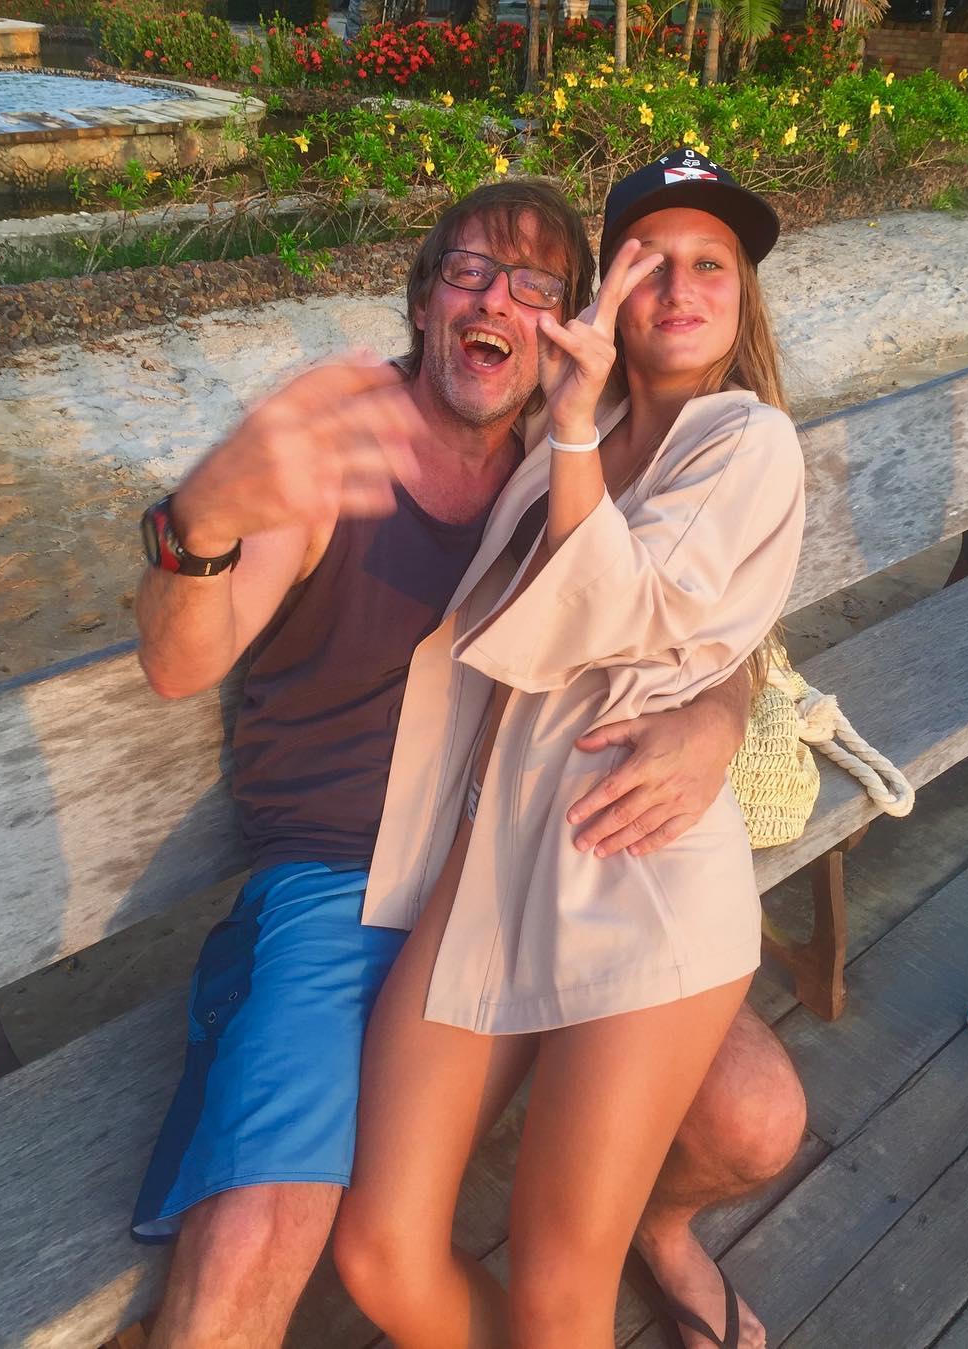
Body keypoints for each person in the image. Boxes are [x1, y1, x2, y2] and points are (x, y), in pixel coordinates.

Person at [131, 176, 805, 1349]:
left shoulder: (573, 445)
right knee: (311, 1244)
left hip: (571, 850)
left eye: (535, 283)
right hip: (371, 878)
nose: (497, 299)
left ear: (564, 324)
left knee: (751, 1119)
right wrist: (197, 526)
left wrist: (720, 714)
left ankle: (658, 1233)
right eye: (469, 271)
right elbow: (180, 663)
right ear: (423, 298)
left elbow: (684, 618)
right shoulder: (363, 445)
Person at [332, 152, 805, 1349]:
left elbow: (625, 610)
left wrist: (720, 708)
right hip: (493, 853)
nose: (682, 288)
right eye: (651, 262)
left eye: (713, 265)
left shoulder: (747, 439)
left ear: (743, 297)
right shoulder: (558, 439)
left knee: (558, 1286)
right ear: (607, 298)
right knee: (380, 1251)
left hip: (632, 860)